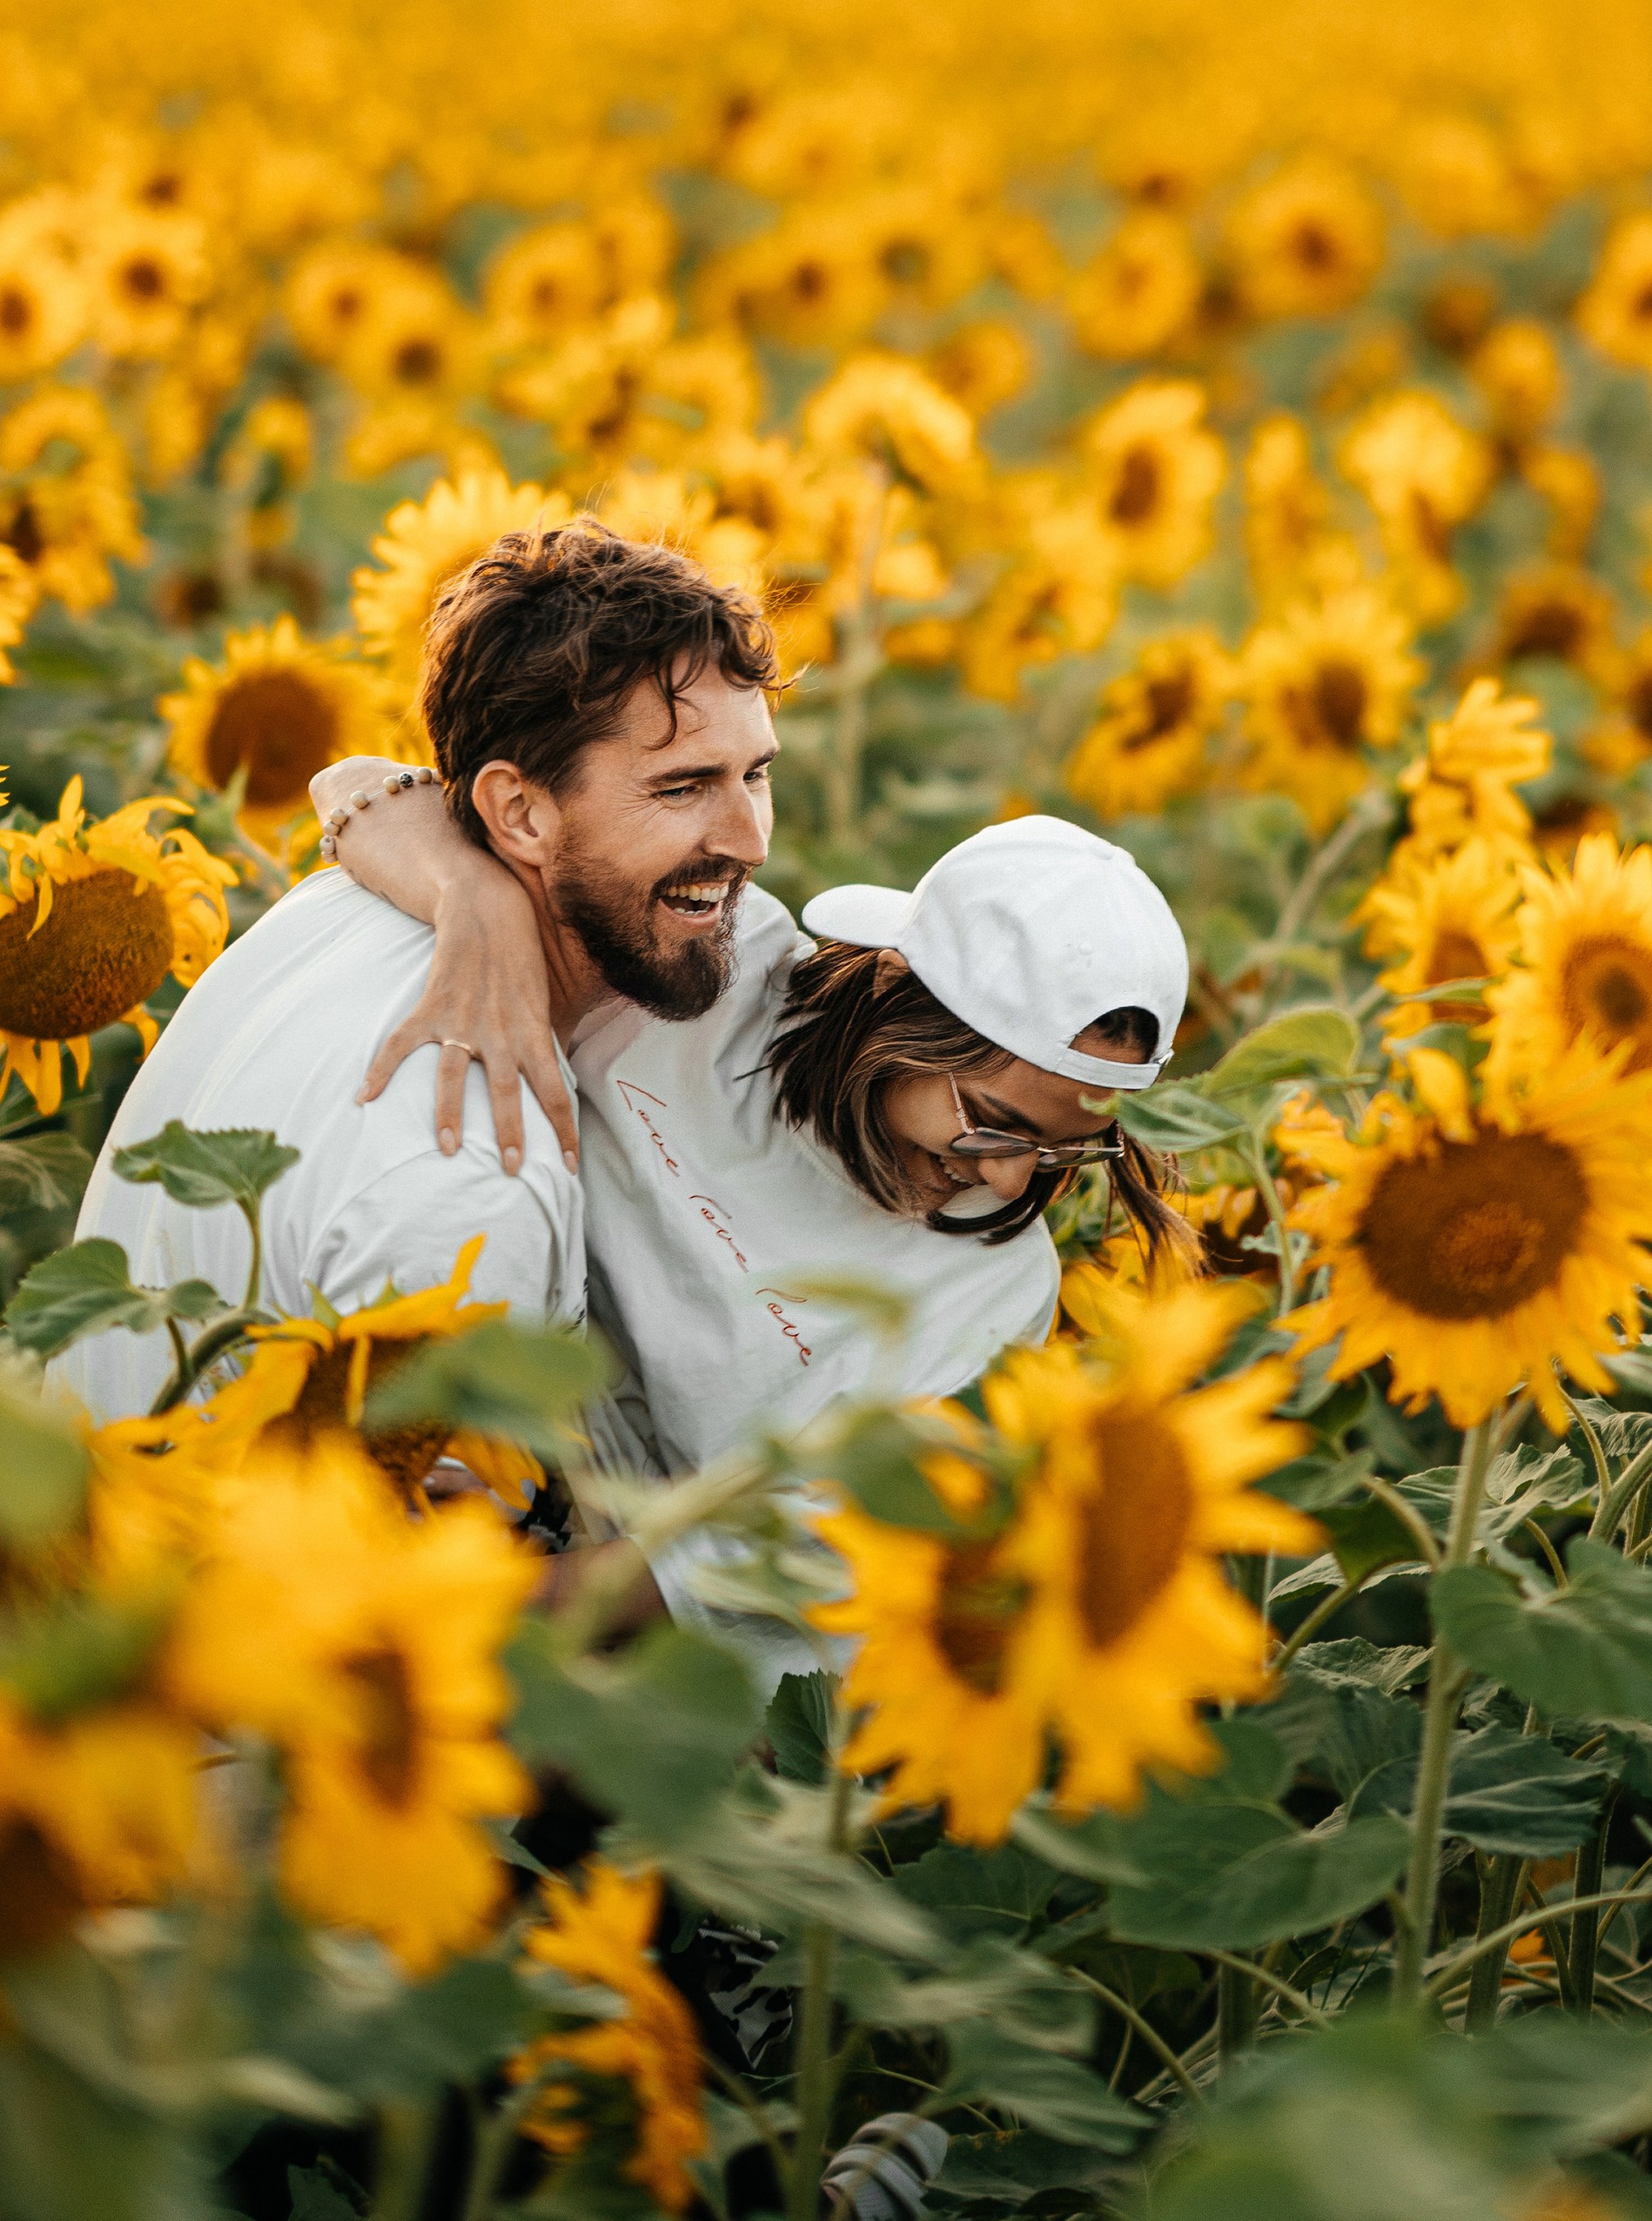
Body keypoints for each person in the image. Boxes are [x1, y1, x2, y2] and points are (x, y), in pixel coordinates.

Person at [314, 653, 1192, 1665]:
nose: (1007, 1180)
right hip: (503, 1454)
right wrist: (478, 903)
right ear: (895, 998)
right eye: (991, 1122)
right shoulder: (711, 978)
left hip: (674, 1668)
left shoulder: (992, 1292)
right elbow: (355, 788)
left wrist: (469, 1607)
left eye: (1062, 1149)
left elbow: (764, 1554)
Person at [59, 525, 783, 1432]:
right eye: (681, 787)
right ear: (517, 812)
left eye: (755, 773)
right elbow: (414, 1521)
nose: (751, 840)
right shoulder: (473, 1189)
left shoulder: (344, 904)